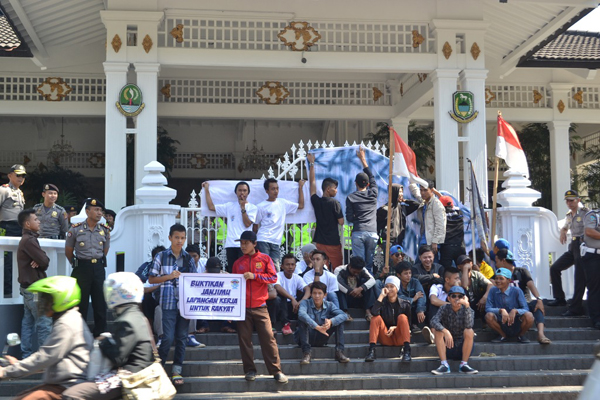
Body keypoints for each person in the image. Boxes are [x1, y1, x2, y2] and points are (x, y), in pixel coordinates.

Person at [62, 272, 154, 400]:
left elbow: (118, 358)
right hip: (137, 373)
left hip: (129, 377)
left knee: (72, 394)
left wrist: (102, 341)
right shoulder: (138, 316)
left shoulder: (127, 319)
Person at [0, 276, 93, 399]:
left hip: (67, 387)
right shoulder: (70, 319)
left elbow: (44, 358)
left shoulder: (66, 323)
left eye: (48, 300)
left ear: (61, 299)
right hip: (61, 384)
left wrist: (6, 371)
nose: (43, 304)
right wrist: (18, 364)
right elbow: (48, 358)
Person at [232, 230, 288, 383]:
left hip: (261, 306)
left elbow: (273, 277)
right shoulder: (238, 263)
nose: (243, 246)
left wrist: (255, 276)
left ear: (254, 244)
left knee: (269, 339)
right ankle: (250, 370)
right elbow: (233, 286)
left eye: (246, 243)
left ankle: (276, 371)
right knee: (244, 341)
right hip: (242, 308)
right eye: (241, 243)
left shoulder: (265, 259)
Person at [148, 223, 198, 386]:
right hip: (168, 302)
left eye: (182, 238)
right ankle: (159, 369)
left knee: (182, 338)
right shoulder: (161, 256)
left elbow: (195, 281)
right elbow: (151, 279)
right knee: (168, 338)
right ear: (170, 238)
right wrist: (169, 276)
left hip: (185, 303)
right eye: (176, 237)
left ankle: (177, 370)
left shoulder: (188, 258)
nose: (179, 241)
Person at [65, 198, 110, 336]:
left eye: (101, 211)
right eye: (96, 210)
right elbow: (68, 250)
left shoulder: (105, 230)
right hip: (81, 268)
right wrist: (76, 263)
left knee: (99, 303)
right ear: (87, 211)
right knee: (81, 303)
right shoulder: (76, 229)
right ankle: (80, 334)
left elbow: (105, 250)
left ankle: (100, 333)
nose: (99, 213)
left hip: (98, 268)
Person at [495, 249, 551, 344]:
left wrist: (539, 299)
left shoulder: (522, 272)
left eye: (496, 261)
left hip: (524, 305)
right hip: (507, 307)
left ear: (503, 261)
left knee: (537, 305)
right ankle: (502, 334)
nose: (496, 264)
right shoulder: (498, 275)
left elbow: (531, 285)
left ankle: (541, 334)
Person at [16, 209, 52, 358]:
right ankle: (44, 359)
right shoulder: (29, 241)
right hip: (35, 290)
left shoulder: (26, 239)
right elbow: (45, 261)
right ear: (27, 223)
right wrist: (41, 260)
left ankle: (26, 356)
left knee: (28, 323)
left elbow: (41, 261)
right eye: (36, 219)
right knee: (44, 322)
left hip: (27, 289)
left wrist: (40, 260)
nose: (39, 221)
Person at [548, 190, 588, 317]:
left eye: (572, 200)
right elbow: (566, 225)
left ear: (578, 200)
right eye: (567, 201)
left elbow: (590, 229)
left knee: (579, 278)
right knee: (555, 268)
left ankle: (576, 308)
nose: (569, 203)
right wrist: (563, 231)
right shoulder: (569, 215)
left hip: (583, 246)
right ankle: (560, 298)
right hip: (573, 247)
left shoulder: (585, 213)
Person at [203, 181, 258, 272]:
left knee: (245, 271)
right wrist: (207, 189)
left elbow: (247, 224)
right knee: (233, 271)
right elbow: (211, 207)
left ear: (248, 192)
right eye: (240, 190)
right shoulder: (229, 206)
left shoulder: (252, 208)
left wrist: (243, 208)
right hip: (231, 244)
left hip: (245, 246)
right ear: (236, 192)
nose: (242, 193)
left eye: (244, 190)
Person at [255, 178, 305, 271]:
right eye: (273, 189)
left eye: (277, 188)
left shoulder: (283, 203)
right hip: (263, 240)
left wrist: (300, 188)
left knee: (275, 269)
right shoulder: (260, 206)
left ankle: (273, 286)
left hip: (276, 242)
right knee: (263, 267)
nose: (276, 191)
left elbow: (301, 206)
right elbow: (256, 224)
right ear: (267, 191)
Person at [296, 281, 349, 364]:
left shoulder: (330, 305)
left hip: (322, 337)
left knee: (339, 321)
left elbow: (344, 315)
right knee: (303, 320)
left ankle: (339, 352)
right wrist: (317, 327)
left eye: (320, 293)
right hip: (306, 337)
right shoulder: (305, 302)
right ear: (311, 294)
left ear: (325, 295)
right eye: (314, 293)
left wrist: (331, 321)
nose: (317, 296)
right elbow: (301, 314)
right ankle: (306, 353)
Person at [307, 153, 344, 271]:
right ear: (328, 189)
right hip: (333, 243)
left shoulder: (317, 201)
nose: (337, 191)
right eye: (335, 188)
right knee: (337, 269)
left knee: (321, 269)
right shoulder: (335, 203)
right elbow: (341, 222)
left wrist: (311, 164)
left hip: (320, 242)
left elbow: (312, 186)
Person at [430, 286, 478, 375]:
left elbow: (469, 325)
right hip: (448, 346)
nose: (457, 299)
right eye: (454, 296)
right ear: (449, 298)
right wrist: (445, 331)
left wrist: (467, 305)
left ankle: (464, 364)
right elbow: (433, 321)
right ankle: (444, 364)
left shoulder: (468, 310)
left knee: (469, 331)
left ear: (464, 298)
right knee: (438, 331)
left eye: (460, 296)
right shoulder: (444, 308)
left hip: (462, 347)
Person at [365, 276, 412, 362]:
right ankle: (371, 350)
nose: (389, 289)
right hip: (386, 336)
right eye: (387, 286)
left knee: (402, 317)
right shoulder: (382, 303)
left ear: (397, 288)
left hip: (400, 337)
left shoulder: (406, 304)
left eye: (392, 286)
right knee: (375, 318)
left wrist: (395, 327)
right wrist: (381, 296)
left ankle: (407, 351)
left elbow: (408, 325)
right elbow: (374, 313)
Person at [345, 148, 378, 269]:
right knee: (369, 264)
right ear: (368, 184)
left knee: (359, 264)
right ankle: (369, 284)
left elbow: (349, 217)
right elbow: (372, 177)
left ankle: (361, 285)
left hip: (358, 231)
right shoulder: (373, 193)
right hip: (372, 232)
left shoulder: (351, 197)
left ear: (355, 183)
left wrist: (356, 218)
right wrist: (363, 160)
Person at [485, 268, 534, 343]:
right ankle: (502, 335)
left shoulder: (517, 291)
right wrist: (500, 310)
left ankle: (521, 335)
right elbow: (488, 308)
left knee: (529, 316)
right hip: (500, 320)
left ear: (509, 280)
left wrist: (515, 311)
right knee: (488, 316)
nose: (498, 281)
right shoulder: (492, 290)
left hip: (516, 320)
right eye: (496, 278)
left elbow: (525, 308)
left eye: (501, 279)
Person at [1, 164, 27, 296]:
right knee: (6, 260)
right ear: (10, 175)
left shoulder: (19, 192)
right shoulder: (3, 190)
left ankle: (13, 288)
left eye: (23, 176)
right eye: (18, 175)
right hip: (6, 228)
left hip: (18, 228)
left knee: (16, 260)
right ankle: (6, 290)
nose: (21, 178)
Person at [268, 253, 310, 335]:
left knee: (306, 299)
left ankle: (301, 325)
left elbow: (307, 289)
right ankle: (276, 325)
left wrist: (301, 301)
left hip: (292, 307)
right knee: (279, 297)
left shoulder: (297, 277)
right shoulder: (278, 276)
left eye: (292, 264)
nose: (290, 267)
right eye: (287, 264)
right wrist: (292, 298)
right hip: (280, 307)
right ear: (282, 266)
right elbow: (277, 287)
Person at [195, 257, 237, 334]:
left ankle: (226, 325)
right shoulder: (200, 277)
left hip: (221, 302)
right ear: (206, 268)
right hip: (207, 302)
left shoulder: (227, 276)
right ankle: (204, 325)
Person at [422, 268, 461, 344]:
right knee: (433, 306)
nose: (458, 281)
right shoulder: (436, 287)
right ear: (447, 280)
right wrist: (450, 305)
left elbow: (463, 304)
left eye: (458, 278)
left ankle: (437, 337)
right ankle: (433, 334)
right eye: (456, 278)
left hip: (452, 319)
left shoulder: (459, 289)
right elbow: (433, 300)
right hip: (439, 318)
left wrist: (457, 289)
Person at [409, 179, 446, 256]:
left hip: (431, 242)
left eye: (425, 190)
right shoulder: (425, 202)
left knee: (429, 264)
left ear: (432, 190)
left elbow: (441, 224)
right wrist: (410, 179)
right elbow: (417, 193)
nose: (422, 193)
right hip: (424, 239)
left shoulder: (436, 204)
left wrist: (435, 241)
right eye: (421, 190)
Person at [376, 183, 419, 249]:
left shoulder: (402, 208)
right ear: (394, 192)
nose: (401, 194)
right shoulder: (385, 209)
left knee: (398, 259)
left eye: (402, 192)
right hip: (388, 242)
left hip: (399, 241)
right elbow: (378, 227)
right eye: (399, 192)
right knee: (389, 259)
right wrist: (379, 242)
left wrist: (405, 201)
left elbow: (416, 205)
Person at [335, 256, 378, 321]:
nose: (356, 274)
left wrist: (360, 288)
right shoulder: (339, 270)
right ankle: (345, 313)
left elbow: (372, 280)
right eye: (354, 272)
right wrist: (351, 291)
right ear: (349, 266)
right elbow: (337, 283)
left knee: (368, 284)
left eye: (358, 272)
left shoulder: (363, 270)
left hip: (359, 298)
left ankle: (368, 311)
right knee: (338, 289)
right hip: (346, 298)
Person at [134, 245, 165, 330]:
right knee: (145, 297)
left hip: (168, 300)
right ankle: (149, 324)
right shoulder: (149, 268)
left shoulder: (170, 269)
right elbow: (138, 278)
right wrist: (157, 285)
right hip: (154, 297)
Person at [580, 208, 600, 330]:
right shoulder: (593, 215)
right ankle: (596, 319)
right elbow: (589, 231)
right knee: (595, 287)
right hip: (593, 256)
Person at [457, 254, 493, 322]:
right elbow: (464, 286)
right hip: (463, 302)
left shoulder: (476, 274)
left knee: (488, 291)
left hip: (477, 302)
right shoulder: (457, 275)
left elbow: (490, 285)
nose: (467, 265)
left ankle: (484, 322)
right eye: (464, 263)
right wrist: (465, 270)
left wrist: (484, 297)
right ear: (459, 266)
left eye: (468, 262)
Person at [395, 261, 426, 333]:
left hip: (413, 309)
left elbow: (421, 295)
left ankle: (415, 325)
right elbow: (398, 298)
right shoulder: (395, 283)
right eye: (405, 273)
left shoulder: (415, 282)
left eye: (410, 273)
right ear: (399, 275)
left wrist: (420, 310)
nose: (409, 275)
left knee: (418, 305)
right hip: (400, 309)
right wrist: (413, 299)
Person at [437, 196, 466, 269]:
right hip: (460, 246)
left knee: (446, 271)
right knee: (463, 270)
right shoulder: (460, 213)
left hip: (447, 247)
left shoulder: (440, 215)